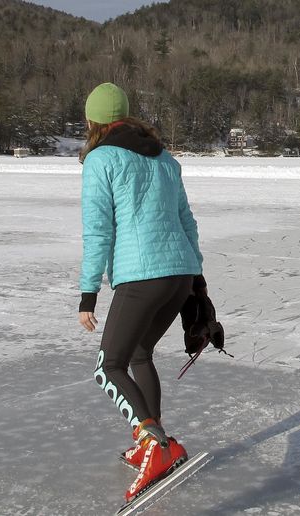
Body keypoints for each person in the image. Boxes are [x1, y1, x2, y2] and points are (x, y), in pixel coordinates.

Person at [77, 82, 206, 502]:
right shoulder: (165, 158)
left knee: (108, 366)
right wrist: (198, 281)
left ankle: (155, 445)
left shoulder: (101, 159)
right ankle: (159, 440)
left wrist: (88, 294)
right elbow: (187, 221)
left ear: (93, 120)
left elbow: (98, 230)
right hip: (180, 274)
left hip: (143, 276)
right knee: (139, 354)